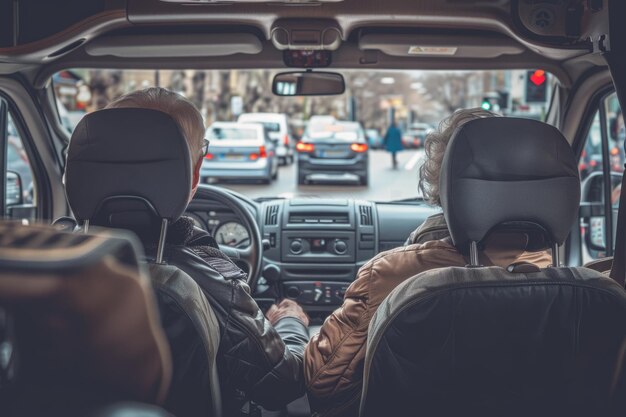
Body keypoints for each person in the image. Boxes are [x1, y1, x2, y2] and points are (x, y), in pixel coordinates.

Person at [303, 108, 553, 417]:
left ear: (443, 184)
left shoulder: (392, 276)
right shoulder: (584, 286)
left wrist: (292, 323)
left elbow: (321, 382)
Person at [100, 88, 310, 416]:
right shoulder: (210, 282)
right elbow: (283, 384)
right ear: (194, 171)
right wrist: (290, 322)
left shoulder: (41, 260)